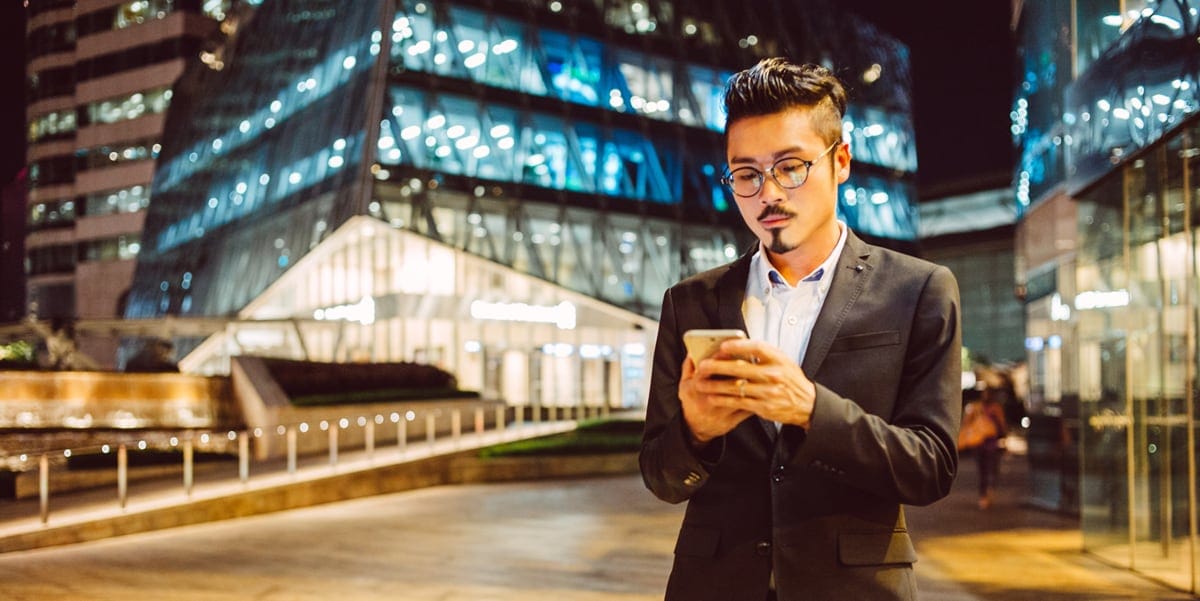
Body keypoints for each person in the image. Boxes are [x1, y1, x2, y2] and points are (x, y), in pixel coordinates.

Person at [639, 58, 962, 601]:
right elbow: (660, 476)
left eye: (790, 167)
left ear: (841, 161)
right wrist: (695, 431)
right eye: (747, 174)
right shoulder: (690, 302)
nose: (768, 193)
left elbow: (931, 467)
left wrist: (812, 411)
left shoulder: (918, 289)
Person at [969, 386, 1009, 509]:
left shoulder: (995, 408)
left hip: (991, 444)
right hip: (980, 443)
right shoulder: (976, 408)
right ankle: (984, 495)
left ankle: (988, 491)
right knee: (983, 471)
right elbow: (969, 423)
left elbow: (1002, 425)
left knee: (991, 470)